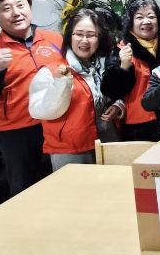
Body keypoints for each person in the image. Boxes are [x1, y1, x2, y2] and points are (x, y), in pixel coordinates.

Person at [0, 0, 63, 195]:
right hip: (17, 131)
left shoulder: (55, 39)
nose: (16, 13)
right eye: (6, 8)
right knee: (24, 190)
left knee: (62, 184)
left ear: (29, 7)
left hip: (58, 124)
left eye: (20, 5)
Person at [28, 9, 124, 171]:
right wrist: (61, 83)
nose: (85, 40)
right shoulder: (52, 71)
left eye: (91, 35)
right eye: (79, 34)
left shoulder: (105, 66)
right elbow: (40, 111)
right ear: (69, 37)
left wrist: (118, 105)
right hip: (70, 149)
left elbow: (115, 93)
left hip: (106, 141)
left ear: (99, 38)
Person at [101, 0, 160, 141]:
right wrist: (124, 68)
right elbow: (110, 91)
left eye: (151, 16)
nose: (146, 21)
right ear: (131, 22)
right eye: (139, 17)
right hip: (139, 126)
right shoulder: (121, 50)